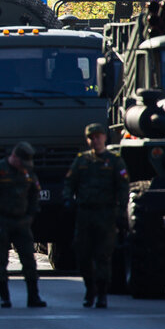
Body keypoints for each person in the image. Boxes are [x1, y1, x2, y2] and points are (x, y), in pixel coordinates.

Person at [63, 123, 129, 308]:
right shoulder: (81, 161)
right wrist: (68, 199)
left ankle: (101, 293)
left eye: (99, 136)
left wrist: (120, 211)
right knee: (83, 255)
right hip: (85, 214)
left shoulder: (115, 161)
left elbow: (123, 188)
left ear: (105, 138)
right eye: (92, 137)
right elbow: (70, 182)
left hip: (106, 214)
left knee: (103, 256)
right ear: (88, 140)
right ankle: (89, 289)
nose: (96, 140)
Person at [0, 142, 47, 308]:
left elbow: (34, 194)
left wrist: (31, 215)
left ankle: (33, 297)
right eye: (21, 162)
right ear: (14, 157)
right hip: (0, 221)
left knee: (29, 260)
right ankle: (4, 298)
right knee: (1, 261)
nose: (23, 166)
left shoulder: (27, 171)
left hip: (21, 221)